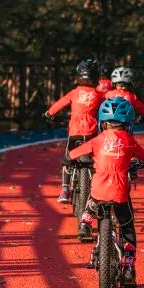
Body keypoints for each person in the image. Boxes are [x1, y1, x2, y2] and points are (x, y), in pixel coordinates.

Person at [69, 97, 144, 287]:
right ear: (128, 124)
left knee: (93, 198)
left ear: (102, 123)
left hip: (99, 193)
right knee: (127, 228)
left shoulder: (97, 140)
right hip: (119, 195)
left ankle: (85, 221)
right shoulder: (130, 141)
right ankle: (128, 267)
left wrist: (68, 159)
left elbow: (74, 154)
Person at [45, 59, 103, 204]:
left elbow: (58, 105)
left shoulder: (74, 93)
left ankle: (65, 189)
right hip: (91, 132)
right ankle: (98, 188)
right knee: (96, 159)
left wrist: (48, 114)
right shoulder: (98, 94)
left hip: (74, 132)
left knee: (68, 158)